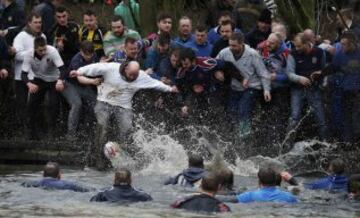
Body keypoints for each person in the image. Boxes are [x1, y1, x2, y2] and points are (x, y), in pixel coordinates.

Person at [71, 61, 178, 169]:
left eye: (135, 75)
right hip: (104, 102)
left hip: (124, 106)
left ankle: (125, 157)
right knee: (102, 126)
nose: (132, 77)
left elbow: (155, 84)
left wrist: (170, 89)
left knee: (127, 130)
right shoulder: (112, 68)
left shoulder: (141, 76)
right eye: (131, 74)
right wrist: (79, 71)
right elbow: (94, 68)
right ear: (126, 68)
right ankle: (99, 159)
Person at [216, 32, 271, 138]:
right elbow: (215, 63)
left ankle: (245, 136)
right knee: (232, 112)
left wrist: (266, 90)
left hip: (252, 86)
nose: (231, 48)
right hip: (235, 87)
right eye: (230, 45)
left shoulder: (253, 54)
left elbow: (263, 73)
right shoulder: (224, 52)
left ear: (242, 44)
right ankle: (236, 135)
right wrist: (217, 72)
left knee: (243, 109)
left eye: (234, 45)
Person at [286, 33, 328, 141]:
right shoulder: (292, 54)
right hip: (297, 89)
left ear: (306, 43)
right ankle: (287, 144)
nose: (297, 48)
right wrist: (299, 79)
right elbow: (289, 73)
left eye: (299, 46)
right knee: (294, 117)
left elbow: (325, 70)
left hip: (314, 89)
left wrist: (321, 74)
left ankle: (325, 143)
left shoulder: (319, 52)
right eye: (295, 46)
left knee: (320, 118)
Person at [21, 36, 65, 140]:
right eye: (41, 50)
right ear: (35, 48)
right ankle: (31, 133)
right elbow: (23, 74)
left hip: (53, 80)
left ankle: (53, 132)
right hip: (39, 79)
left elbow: (63, 69)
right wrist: (29, 84)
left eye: (45, 49)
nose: (44, 52)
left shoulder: (52, 51)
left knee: (53, 104)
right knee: (31, 104)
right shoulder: (28, 55)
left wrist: (60, 81)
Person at [12, 12, 46, 131]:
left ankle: (34, 132)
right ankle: (20, 132)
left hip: (37, 77)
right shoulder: (21, 36)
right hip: (21, 77)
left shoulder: (43, 37)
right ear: (29, 23)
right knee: (22, 105)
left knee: (36, 106)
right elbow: (16, 55)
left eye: (40, 22)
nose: (38, 25)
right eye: (35, 22)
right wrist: (32, 53)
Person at [61, 41, 99, 140]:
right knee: (77, 104)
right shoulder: (76, 60)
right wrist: (92, 81)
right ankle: (71, 134)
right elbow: (80, 79)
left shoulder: (94, 55)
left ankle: (87, 130)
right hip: (70, 84)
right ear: (81, 51)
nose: (89, 57)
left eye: (90, 54)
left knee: (95, 104)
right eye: (86, 55)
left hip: (84, 85)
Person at [330, 31, 360, 143]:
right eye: (341, 43)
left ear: (352, 43)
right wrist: (321, 73)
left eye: (344, 44)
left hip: (358, 91)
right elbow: (333, 68)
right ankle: (347, 142)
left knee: (356, 117)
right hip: (345, 90)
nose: (341, 46)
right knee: (346, 117)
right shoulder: (339, 54)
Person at [22, 162, 90, 192]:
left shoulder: (30, 183)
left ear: (43, 175)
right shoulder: (68, 185)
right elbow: (89, 190)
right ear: (59, 175)